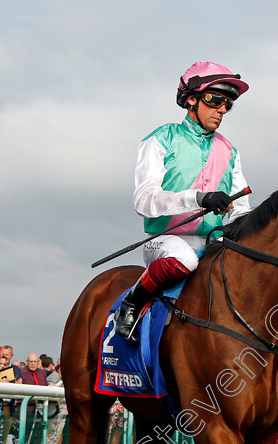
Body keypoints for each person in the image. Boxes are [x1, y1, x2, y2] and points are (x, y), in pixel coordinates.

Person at [115, 61, 252, 340]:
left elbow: (240, 211)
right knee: (185, 258)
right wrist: (199, 198)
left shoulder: (230, 150)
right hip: (164, 240)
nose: (222, 109)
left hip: (213, 243)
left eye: (228, 104)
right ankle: (132, 301)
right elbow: (143, 201)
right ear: (191, 99)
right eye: (215, 100)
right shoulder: (161, 138)